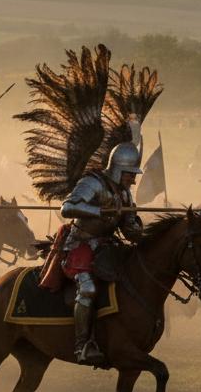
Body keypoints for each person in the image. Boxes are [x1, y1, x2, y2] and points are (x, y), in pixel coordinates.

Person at [57, 142, 144, 366]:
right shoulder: (92, 183)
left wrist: (135, 226)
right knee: (88, 289)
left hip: (106, 246)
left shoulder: (125, 194)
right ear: (118, 169)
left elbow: (128, 228)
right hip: (80, 244)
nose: (132, 180)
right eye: (129, 174)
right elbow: (67, 208)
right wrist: (98, 211)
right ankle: (82, 345)